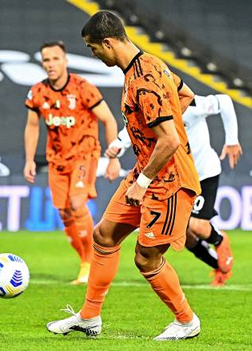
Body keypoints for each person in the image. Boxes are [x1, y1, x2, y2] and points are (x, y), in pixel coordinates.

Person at [46, 11, 202, 340]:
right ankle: (89, 317)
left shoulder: (143, 79)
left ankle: (187, 322)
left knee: (146, 258)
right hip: (147, 168)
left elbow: (170, 139)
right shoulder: (150, 65)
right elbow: (185, 95)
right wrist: (149, 133)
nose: (93, 54)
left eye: (93, 48)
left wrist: (143, 182)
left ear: (108, 42)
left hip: (168, 179)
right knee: (104, 236)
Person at [106, 93, 241, 286]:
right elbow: (135, 127)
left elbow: (226, 102)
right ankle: (218, 265)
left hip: (203, 174)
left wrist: (232, 140)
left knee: (197, 226)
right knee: (181, 234)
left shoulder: (191, 105)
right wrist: (119, 144)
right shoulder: (152, 110)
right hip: (176, 178)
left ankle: (219, 240)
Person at [24, 41, 121, 285]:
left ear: (65, 61)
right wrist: (29, 160)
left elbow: (108, 120)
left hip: (84, 154)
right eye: (46, 60)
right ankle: (85, 263)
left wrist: (113, 159)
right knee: (65, 212)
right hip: (56, 159)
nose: (51, 64)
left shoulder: (83, 88)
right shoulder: (37, 92)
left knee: (77, 203)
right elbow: (32, 127)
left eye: (55, 59)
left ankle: (91, 263)